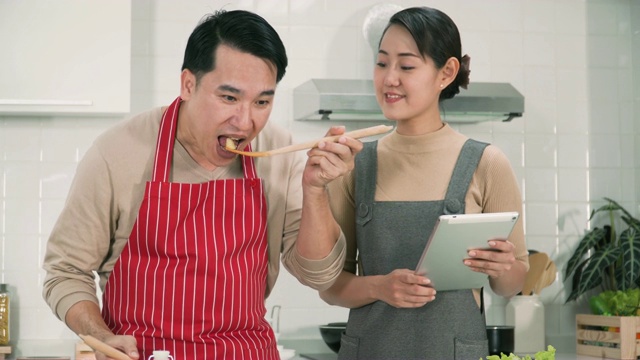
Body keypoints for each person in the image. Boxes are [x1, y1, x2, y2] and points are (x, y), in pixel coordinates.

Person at [42, 9, 360, 360]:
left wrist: (315, 190)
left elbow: (319, 275)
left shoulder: (278, 151)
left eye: (262, 102)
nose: (245, 121)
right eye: (229, 98)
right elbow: (65, 271)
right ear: (188, 85)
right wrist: (101, 335)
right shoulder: (118, 151)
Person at [319, 6, 529, 360]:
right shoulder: (355, 164)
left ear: (446, 72)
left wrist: (504, 267)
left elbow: (512, 285)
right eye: (382, 63)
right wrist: (380, 287)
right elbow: (331, 286)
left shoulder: (486, 162)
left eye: (407, 65)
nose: (389, 79)